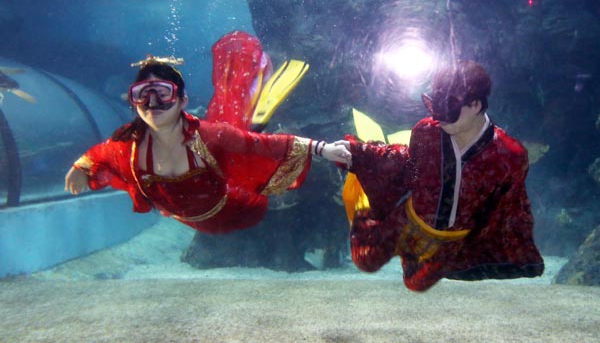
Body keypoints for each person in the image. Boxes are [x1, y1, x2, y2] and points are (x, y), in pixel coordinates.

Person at [65, 31, 350, 234]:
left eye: (163, 93)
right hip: (182, 216)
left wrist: (323, 149)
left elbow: (267, 146)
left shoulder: (210, 137)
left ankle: (250, 97)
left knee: (242, 141)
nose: (152, 103)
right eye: (143, 94)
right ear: (133, 100)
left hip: (235, 210)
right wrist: (81, 165)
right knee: (233, 134)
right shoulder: (127, 144)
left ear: (182, 100)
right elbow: (101, 152)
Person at [339, 60, 544, 291]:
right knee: (366, 258)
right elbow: (409, 170)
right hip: (410, 221)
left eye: (449, 109)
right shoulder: (427, 132)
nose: (440, 117)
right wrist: (358, 154)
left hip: (457, 242)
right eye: (435, 106)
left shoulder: (509, 154)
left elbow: (509, 211)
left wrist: (515, 257)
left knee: (419, 281)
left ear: (476, 105)